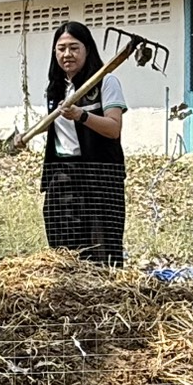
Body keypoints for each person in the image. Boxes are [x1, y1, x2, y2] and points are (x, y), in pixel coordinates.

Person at [40, 21, 126, 266]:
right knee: (64, 251)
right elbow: (52, 127)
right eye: (61, 48)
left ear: (87, 49)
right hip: (62, 178)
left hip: (99, 177)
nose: (67, 54)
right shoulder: (55, 88)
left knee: (101, 250)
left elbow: (113, 128)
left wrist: (82, 115)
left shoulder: (106, 83)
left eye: (74, 48)